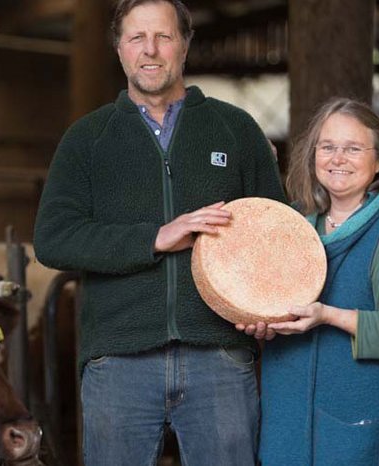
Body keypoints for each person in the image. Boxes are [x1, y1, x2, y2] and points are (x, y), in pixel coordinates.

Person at [33, 0, 285, 464]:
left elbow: (275, 234)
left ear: (185, 45)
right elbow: (53, 238)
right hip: (118, 362)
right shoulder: (87, 139)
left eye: (164, 37)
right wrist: (154, 238)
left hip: (220, 358)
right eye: (136, 38)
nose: (150, 50)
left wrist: (266, 311)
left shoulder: (236, 130)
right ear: (119, 49)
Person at [251, 97, 379, 465]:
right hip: (287, 429)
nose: (337, 159)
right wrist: (261, 323)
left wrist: (327, 315)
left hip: (361, 432)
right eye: (328, 147)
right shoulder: (296, 229)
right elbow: (273, 308)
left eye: (353, 148)